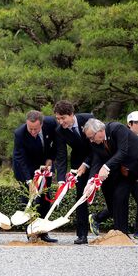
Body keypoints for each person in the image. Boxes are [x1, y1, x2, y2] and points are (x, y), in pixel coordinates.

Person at [82, 118, 138, 246]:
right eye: (89, 138)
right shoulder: (95, 142)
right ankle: (121, 234)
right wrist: (90, 181)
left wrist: (106, 167)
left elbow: (123, 151)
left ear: (100, 131)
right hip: (125, 170)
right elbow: (97, 159)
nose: (91, 140)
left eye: (91, 137)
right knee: (119, 196)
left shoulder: (117, 128)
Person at [12, 110, 58, 243]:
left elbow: (56, 144)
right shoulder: (19, 133)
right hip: (25, 167)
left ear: (42, 124)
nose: (32, 132)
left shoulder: (51, 124)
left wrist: (50, 159)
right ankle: (31, 232)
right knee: (28, 199)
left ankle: (43, 232)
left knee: (44, 197)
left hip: (44, 165)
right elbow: (20, 158)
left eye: (36, 129)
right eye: (30, 128)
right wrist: (30, 181)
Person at [54, 100, 94, 245]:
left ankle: (116, 229)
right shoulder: (59, 131)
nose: (60, 122)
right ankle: (82, 235)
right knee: (81, 196)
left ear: (72, 114)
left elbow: (97, 145)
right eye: (58, 118)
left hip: (97, 158)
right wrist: (61, 181)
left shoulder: (89, 119)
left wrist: (87, 163)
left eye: (63, 118)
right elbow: (61, 155)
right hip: (78, 162)